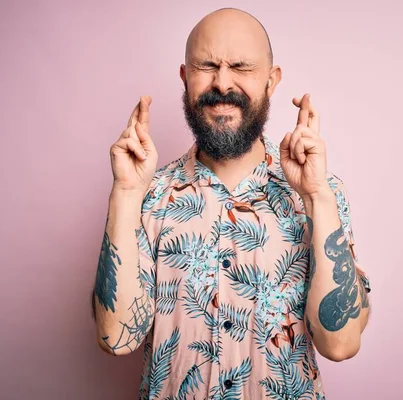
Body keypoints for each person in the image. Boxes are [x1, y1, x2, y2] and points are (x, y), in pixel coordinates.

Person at [91, 7, 372, 400]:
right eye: (207, 66)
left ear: (272, 81)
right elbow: (116, 338)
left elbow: (340, 343)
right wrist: (124, 194)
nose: (222, 83)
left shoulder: (319, 193)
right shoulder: (147, 195)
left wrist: (317, 198)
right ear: (185, 78)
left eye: (241, 67)